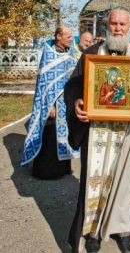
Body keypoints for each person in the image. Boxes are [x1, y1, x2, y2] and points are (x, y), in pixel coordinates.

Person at [64, 7, 130, 253]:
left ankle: (122, 229)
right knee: (93, 182)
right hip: (96, 130)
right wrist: (77, 103)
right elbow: (73, 87)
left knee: (121, 181)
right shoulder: (90, 55)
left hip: (128, 132)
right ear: (106, 26)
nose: (117, 29)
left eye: (122, 24)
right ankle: (94, 231)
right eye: (113, 24)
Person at [21, 25, 79, 179]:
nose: (71, 38)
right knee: (50, 135)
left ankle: (63, 168)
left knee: (64, 135)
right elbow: (44, 84)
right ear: (58, 37)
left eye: (71, 36)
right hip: (52, 105)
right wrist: (50, 106)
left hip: (66, 104)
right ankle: (47, 172)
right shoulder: (49, 55)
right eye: (67, 36)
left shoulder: (69, 54)